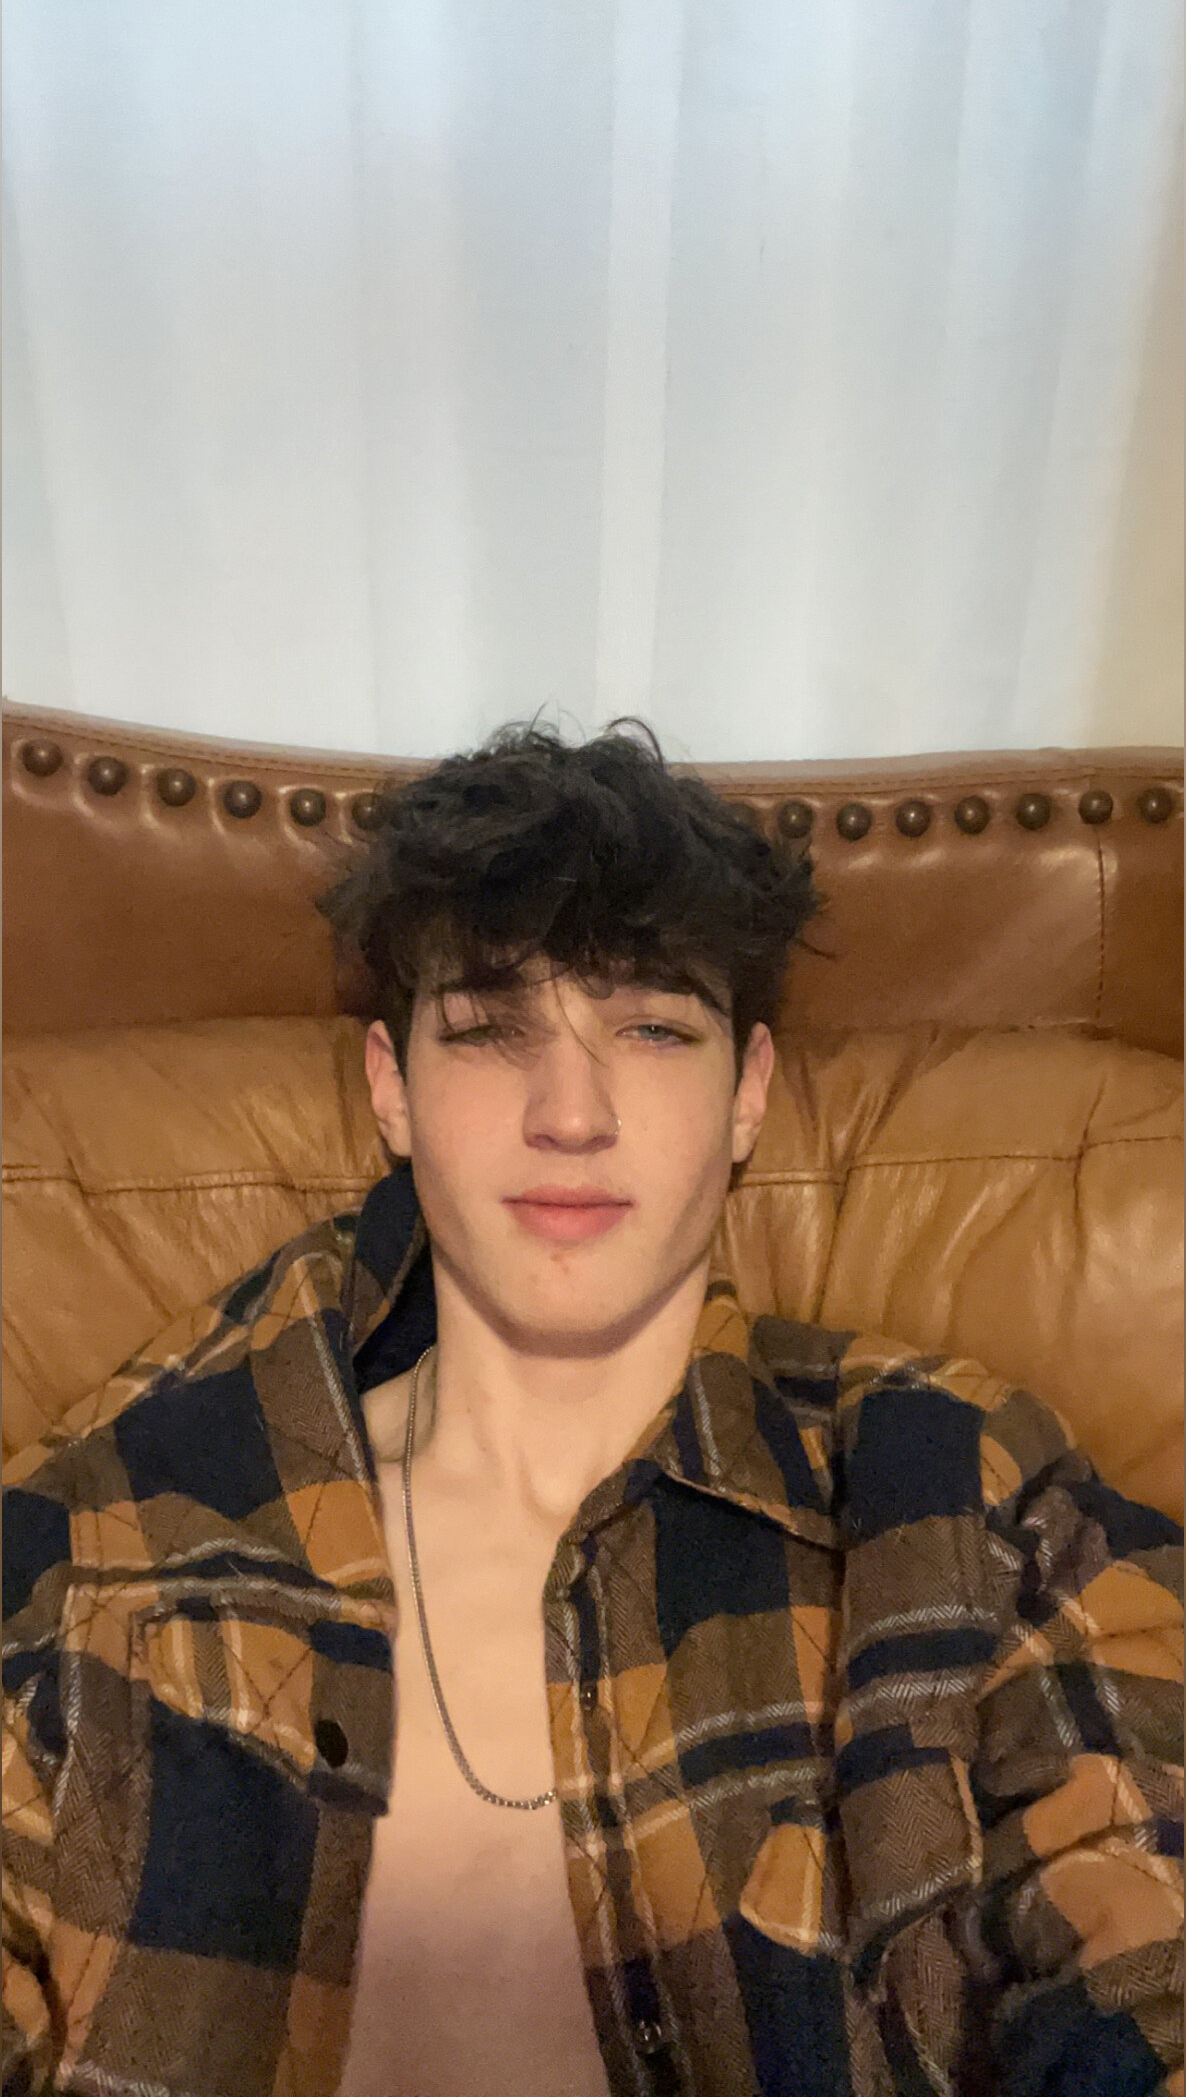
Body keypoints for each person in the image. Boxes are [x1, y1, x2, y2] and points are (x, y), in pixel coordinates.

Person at [3, 718, 1181, 2097]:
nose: (570, 1113)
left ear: (746, 1095)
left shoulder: (960, 1487)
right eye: (489, 1031)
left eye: (652, 1028)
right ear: (392, 1089)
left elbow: (1141, 1921)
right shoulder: (111, 1535)